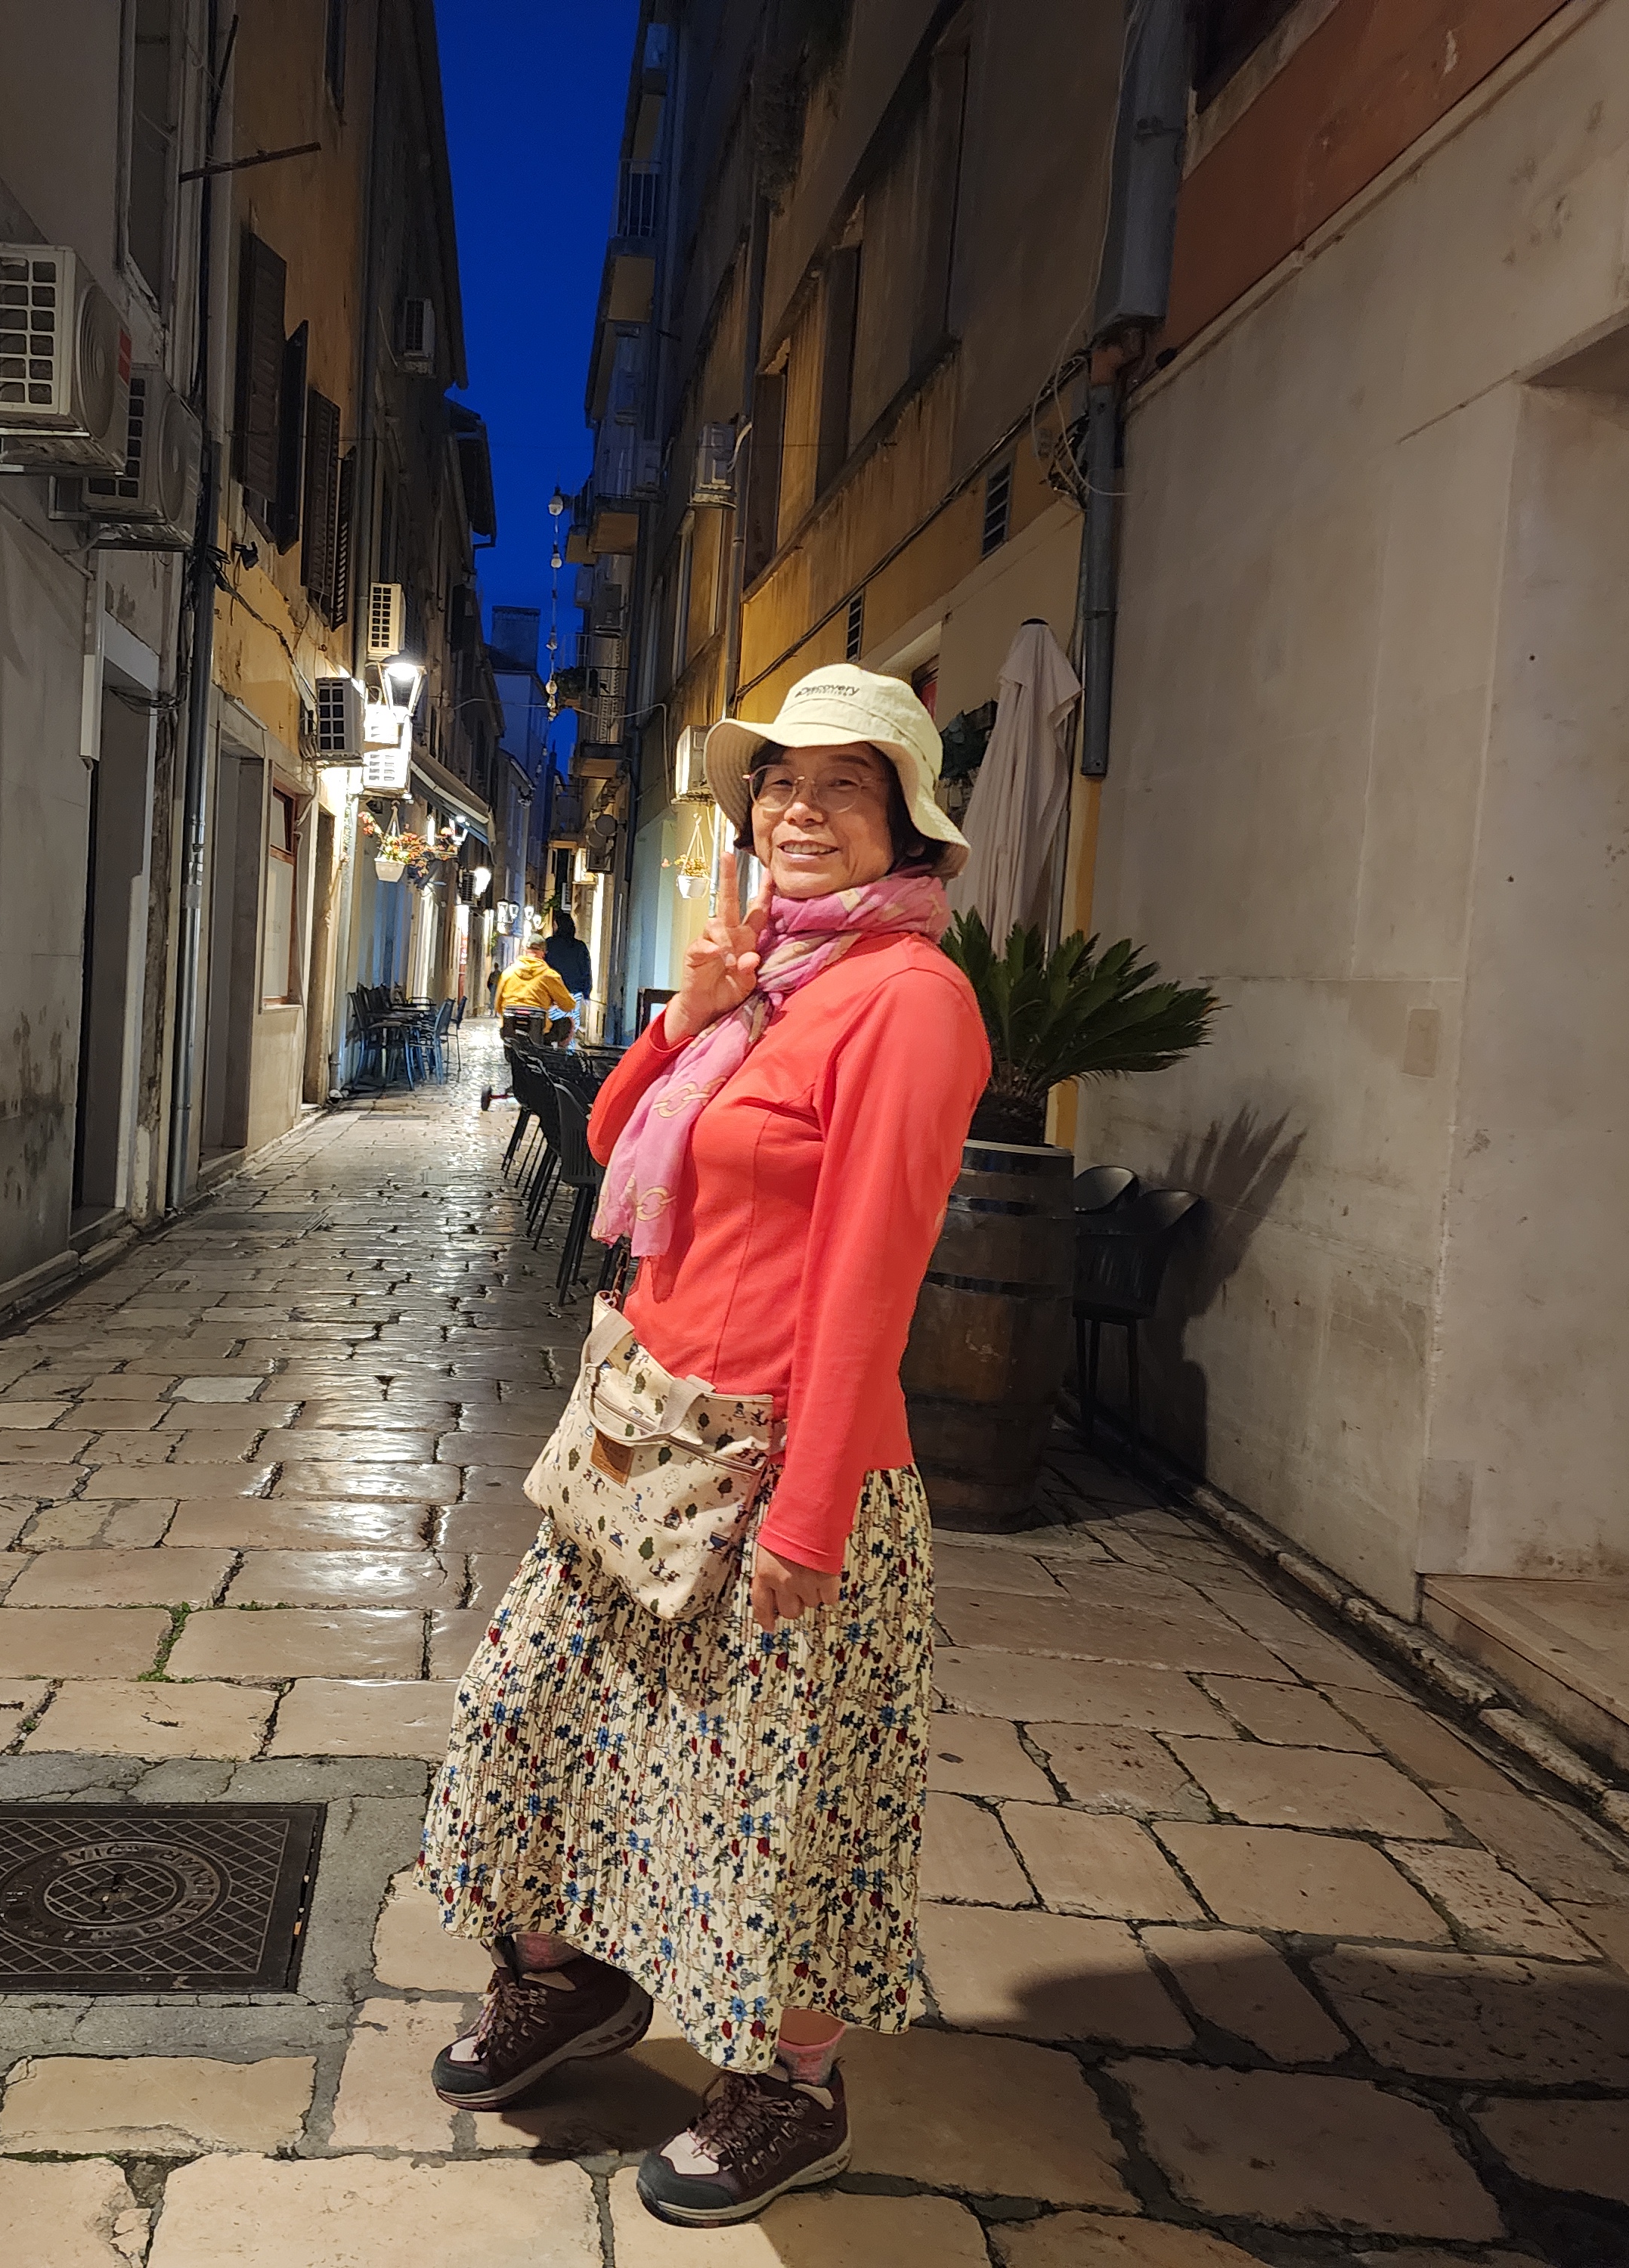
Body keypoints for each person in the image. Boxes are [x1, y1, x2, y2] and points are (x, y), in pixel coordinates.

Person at [420, 663, 989, 2227]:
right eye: (779, 783)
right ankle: (570, 1977)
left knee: (775, 1798)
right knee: (535, 1716)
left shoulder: (909, 1002)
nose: (800, 810)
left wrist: (809, 1512)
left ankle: (791, 2086)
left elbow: (872, 1272)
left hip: (776, 1466)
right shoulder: (778, 977)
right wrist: (693, 1010)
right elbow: (614, 1141)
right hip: (641, 1436)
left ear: (906, 826)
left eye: (844, 786)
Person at [494, 934, 578, 1043]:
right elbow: (568, 1005)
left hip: (509, 1029)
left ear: (525, 950)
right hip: (540, 1031)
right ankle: (556, 1053)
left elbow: (498, 1006)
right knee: (568, 1022)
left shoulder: (508, 973)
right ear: (543, 953)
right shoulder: (549, 975)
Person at [541, 908, 593, 1028]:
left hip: (553, 994)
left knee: (551, 1028)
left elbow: (543, 968)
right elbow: (586, 971)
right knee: (570, 1029)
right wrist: (586, 993)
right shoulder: (580, 947)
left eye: (555, 925)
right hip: (574, 994)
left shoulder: (549, 944)